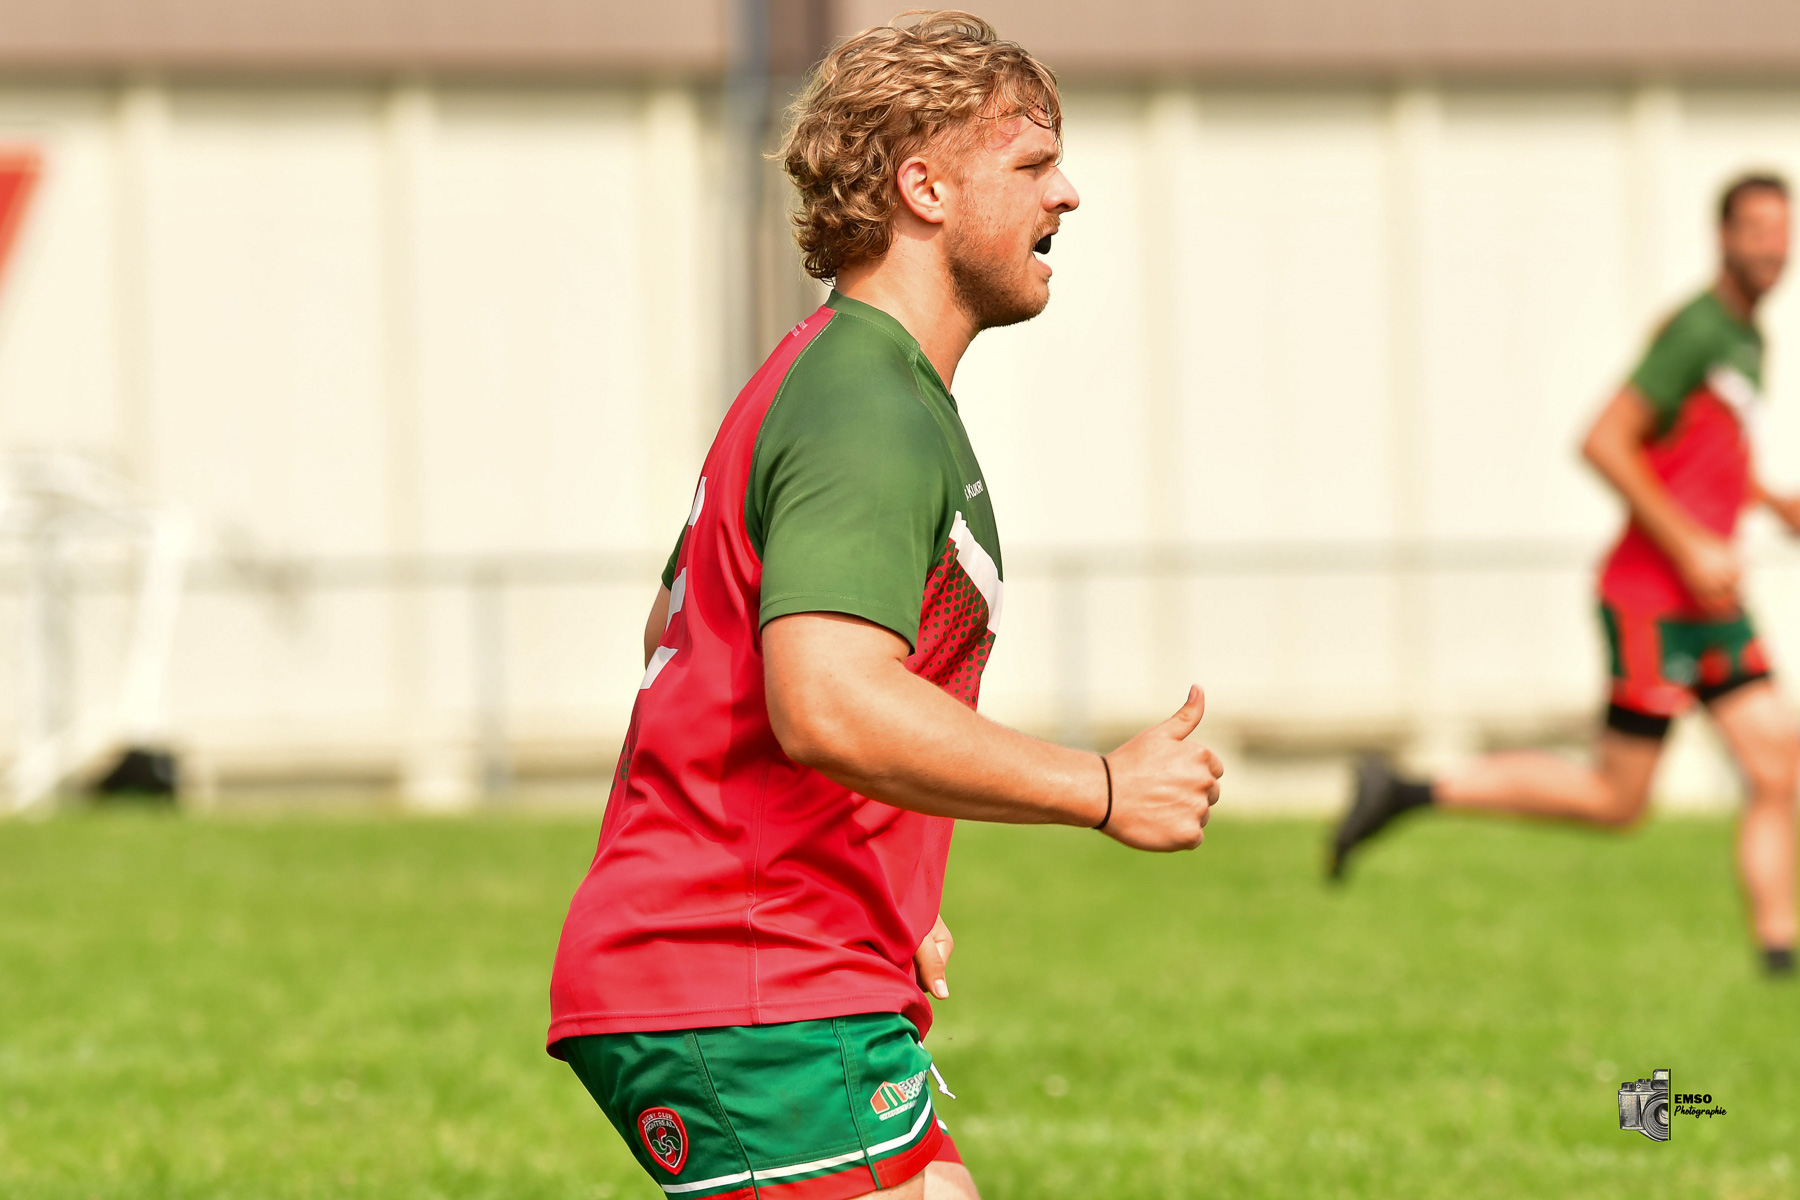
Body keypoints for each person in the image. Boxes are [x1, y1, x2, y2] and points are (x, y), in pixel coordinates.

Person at [546, 13, 1224, 1200]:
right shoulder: (864, 405)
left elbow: (690, 641)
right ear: (924, 186)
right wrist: (1102, 788)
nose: (1067, 195)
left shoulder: (837, 377)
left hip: (786, 964)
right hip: (746, 978)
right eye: (1029, 167)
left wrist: (882, 877)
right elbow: (825, 702)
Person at [1331, 173, 1799, 977]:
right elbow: (1606, 442)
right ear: (1723, 237)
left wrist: (1765, 499)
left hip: (1713, 602)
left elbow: (1694, 455)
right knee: (1618, 801)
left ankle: (1777, 954)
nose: (1771, 245)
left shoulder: (1748, 338)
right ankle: (1407, 792)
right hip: (1655, 600)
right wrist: (1689, 544)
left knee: (1779, 765)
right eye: (1755, 229)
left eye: (1781, 230)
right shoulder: (1697, 330)